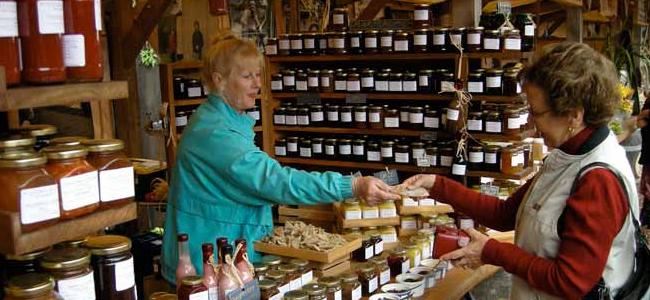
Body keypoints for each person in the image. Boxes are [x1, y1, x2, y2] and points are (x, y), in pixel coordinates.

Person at [401, 42, 640, 299]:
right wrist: (436, 185)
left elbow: (570, 281)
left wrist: (491, 251)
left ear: (574, 115)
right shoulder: (569, 154)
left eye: (536, 113)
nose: (532, 124)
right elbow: (505, 214)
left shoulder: (598, 180)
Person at [161, 32, 400, 285]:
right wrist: (351, 185)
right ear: (219, 81)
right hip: (207, 268)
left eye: (257, 75)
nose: (257, 84)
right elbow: (276, 182)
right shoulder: (216, 134)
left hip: (227, 258)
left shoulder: (223, 120)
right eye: (246, 76)